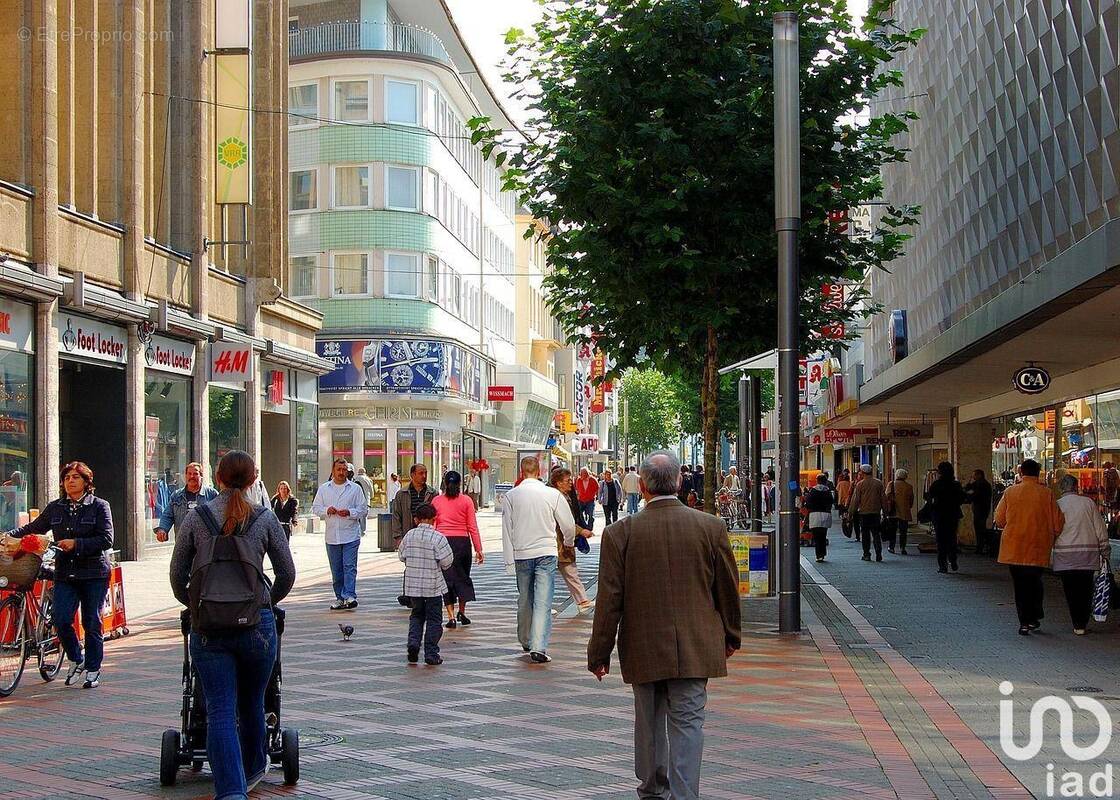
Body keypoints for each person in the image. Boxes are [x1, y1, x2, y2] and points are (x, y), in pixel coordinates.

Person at [588, 450, 741, 800]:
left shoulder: (619, 533)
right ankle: (685, 795)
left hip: (642, 644)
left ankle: (653, 790)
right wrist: (731, 635)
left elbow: (609, 600)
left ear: (642, 486)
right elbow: (727, 588)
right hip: (696, 644)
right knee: (689, 723)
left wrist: (599, 653)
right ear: (679, 481)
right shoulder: (710, 527)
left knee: (649, 722)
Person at [169, 450, 294, 799]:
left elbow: (177, 575)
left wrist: (197, 605)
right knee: (253, 703)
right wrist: (264, 602)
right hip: (257, 626)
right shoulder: (265, 518)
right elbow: (286, 573)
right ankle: (253, 770)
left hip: (209, 628)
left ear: (218, 479)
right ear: (254, 479)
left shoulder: (197, 517)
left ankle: (231, 792)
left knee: (220, 709)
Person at [6, 461, 113, 689]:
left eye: (75, 477)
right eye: (66, 478)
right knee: (60, 618)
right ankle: (76, 657)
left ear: (86, 482)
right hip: (66, 573)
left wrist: (76, 543)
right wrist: (8, 536)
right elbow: (33, 528)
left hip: (94, 573)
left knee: (91, 621)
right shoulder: (56, 507)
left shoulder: (99, 506)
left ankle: (93, 669)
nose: (70, 481)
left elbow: (106, 539)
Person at [501, 455, 580, 663]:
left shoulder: (511, 496)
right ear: (539, 471)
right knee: (543, 600)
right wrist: (569, 542)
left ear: (521, 472)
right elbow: (568, 524)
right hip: (546, 551)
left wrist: (509, 561)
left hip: (522, 553)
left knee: (525, 598)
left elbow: (507, 530)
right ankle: (538, 647)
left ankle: (525, 638)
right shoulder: (552, 494)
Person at [994, 459, 1065, 636]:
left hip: (1014, 546)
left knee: (1020, 585)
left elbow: (999, 519)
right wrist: (1051, 535)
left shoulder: (1010, 492)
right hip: (1038, 546)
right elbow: (1057, 523)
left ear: (1021, 473)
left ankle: (1024, 622)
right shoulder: (1047, 494)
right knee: (1034, 582)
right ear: (1038, 473)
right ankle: (1034, 616)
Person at [1053, 474, 1110, 635]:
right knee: (1085, 590)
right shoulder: (1088, 503)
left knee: (1070, 591)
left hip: (1064, 555)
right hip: (1087, 554)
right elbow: (1100, 529)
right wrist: (1105, 550)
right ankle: (1082, 623)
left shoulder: (1057, 505)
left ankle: (1076, 623)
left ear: (1061, 488)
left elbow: (1052, 530)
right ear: (1076, 487)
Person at [398, 503, 454, 665]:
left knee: (416, 616)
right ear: (434, 519)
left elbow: (401, 556)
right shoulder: (438, 538)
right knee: (434, 620)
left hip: (413, 587)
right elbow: (447, 562)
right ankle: (431, 653)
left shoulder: (409, 536)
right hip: (433, 587)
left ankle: (413, 643)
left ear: (416, 519)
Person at [311, 458, 368, 610]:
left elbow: (363, 509)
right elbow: (315, 508)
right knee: (336, 570)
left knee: (349, 566)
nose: (341, 472)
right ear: (333, 471)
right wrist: (326, 510)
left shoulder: (355, 489)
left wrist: (350, 512)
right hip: (332, 536)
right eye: (339, 469)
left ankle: (349, 595)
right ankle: (340, 598)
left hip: (350, 535)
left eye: (344, 470)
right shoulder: (324, 489)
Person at [432, 470, 483, 629]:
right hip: (462, 544)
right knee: (462, 577)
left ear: (445, 484)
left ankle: (451, 617)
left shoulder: (436, 501)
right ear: (460, 484)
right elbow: (472, 526)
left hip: (443, 542)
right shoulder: (467, 501)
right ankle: (462, 611)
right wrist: (479, 549)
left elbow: (434, 526)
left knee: (446, 580)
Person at [549, 467, 596, 614]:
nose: (571, 482)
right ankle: (543, 606)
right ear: (558, 483)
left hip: (560, 541)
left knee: (569, 571)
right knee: (548, 575)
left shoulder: (565, 496)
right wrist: (580, 531)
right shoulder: (557, 497)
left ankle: (582, 601)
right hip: (557, 541)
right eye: (567, 480)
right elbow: (565, 523)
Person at [155, 462, 219, 543]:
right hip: (183, 543)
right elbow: (167, 515)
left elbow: (221, 515)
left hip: (205, 544)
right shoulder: (176, 496)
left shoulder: (212, 494)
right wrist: (163, 529)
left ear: (201, 476)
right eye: (189, 474)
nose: (192, 476)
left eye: (195, 474)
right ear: (185, 476)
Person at [924, 462, 968, 573]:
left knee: (941, 540)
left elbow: (929, 498)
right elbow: (962, 499)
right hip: (952, 514)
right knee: (952, 537)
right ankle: (953, 559)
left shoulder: (936, 485)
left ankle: (942, 565)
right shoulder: (956, 485)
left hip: (939, 515)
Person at [390, 463, 438, 548]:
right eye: (421, 473)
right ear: (412, 475)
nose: (424, 476)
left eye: (425, 473)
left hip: (428, 537)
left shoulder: (433, 493)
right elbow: (396, 516)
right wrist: (398, 537)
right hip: (408, 536)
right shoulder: (401, 494)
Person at [848, 464, 885, 562]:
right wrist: (886, 512)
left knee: (865, 534)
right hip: (875, 512)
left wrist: (850, 513)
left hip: (864, 513)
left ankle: (866, 554)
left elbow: (855, 500)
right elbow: (883, 499)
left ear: (862, 472)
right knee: (876, 534)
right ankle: (878, 553)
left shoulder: (860, 484)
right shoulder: (878, 483)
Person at [803, 474, 834, 562]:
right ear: (825, 481)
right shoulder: (827, 491)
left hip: (814, 515)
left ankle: (818, 555)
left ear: (817, 481)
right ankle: (822, 553)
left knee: (816, 536)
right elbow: (831, 502)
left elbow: (808, 502)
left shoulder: (813, 491)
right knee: (823, 535)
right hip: (825, 515)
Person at [964, 469, 994, 555]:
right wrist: (969, 483)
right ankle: (981, 546)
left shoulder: (983, 485)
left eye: (974, 475)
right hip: (980, 509)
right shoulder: (979, 484)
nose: (973, 477)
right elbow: (968, 488)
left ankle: (981, 546)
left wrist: (967, 498)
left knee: (980, 528)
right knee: (979, 528)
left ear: (979, 475)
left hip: (981, 509)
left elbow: (975, 495)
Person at [885, 469, 915, 554]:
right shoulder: (909, 486)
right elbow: (911, 500)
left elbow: (886, 496)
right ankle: (903, 547)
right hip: (904, 511)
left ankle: (891, 547)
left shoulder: (891, 484)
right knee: (903, 531)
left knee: (892, 530)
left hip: (893, 511)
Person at [835, 470, 853, 538]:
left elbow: (836, 491)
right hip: (848, 502)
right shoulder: (850, 484)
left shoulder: (840, 483)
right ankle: (849, 528)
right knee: (849, 516)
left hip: (841, 501)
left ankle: (845, 528)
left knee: (843, 516)